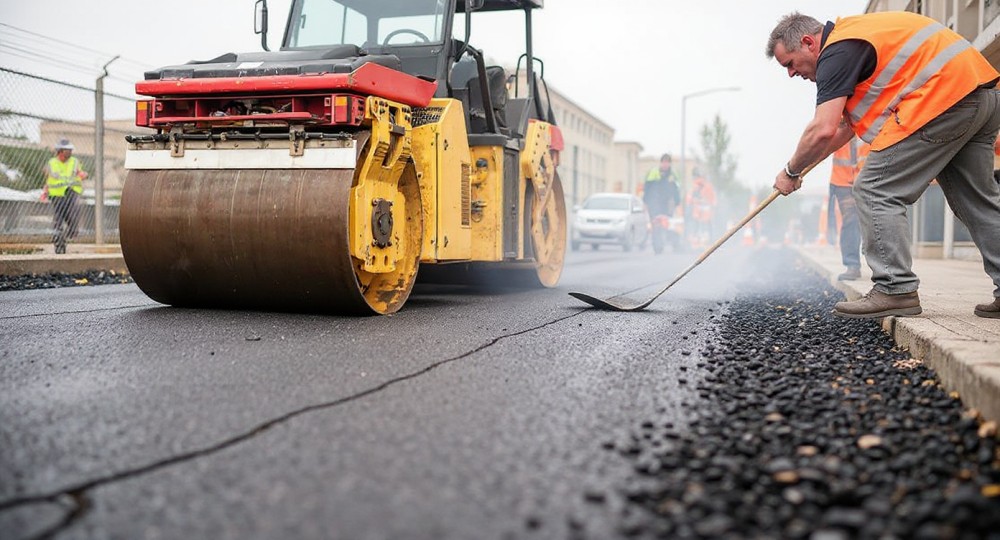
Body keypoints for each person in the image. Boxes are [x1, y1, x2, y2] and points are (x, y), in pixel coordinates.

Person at [766, 11, 1000, 319]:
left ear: (809, 42)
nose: (792, 74)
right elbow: (840, 130)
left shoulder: (837, 51)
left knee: (873, 189)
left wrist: (790, 171)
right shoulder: (857, 39)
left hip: (943, 99)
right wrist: (800, 170)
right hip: (977, 95)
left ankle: (894, 288)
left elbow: (821, 128)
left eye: (790, 64)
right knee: (977, 202)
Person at [827, 137, 869, 281]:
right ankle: (852, 265)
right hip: (843, 179)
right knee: (850, 221)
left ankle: (883, 266)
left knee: (875, 219)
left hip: (868, 177)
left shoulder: (868, 118)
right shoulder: (837, 119)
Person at [42, 138, 88, 254]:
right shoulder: (52, 163)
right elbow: (49, 178)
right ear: (60, 151)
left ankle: (69, 234)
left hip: (71, 192)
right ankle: (59, 244)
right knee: (58, 221)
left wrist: (82, 174)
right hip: (57, 195)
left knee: (73, 218)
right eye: (67, 150)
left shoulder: (74, 161)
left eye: (70, 150)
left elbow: (79, 172)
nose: (70, 152)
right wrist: (45, 191)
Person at [643, 153, 681, 219]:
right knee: (655, 223)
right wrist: (645, 202)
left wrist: (678, 203)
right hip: (654, 204)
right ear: (661, 163)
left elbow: (676, 191)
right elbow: (647, 188)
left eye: (667, 162)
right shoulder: (654, 172)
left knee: (667, 224)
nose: (665, 164)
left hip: (667, 206)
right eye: (664, 162)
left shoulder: (673, 175)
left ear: (670, 164)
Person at [685, 168, 717, 247]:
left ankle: (699, 240)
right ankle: (705, 240)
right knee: (703, 224)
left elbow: (690, 198)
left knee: (700, 224)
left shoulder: (699, 185)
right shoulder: (705, 185)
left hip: (702, 209)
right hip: (701, 209)